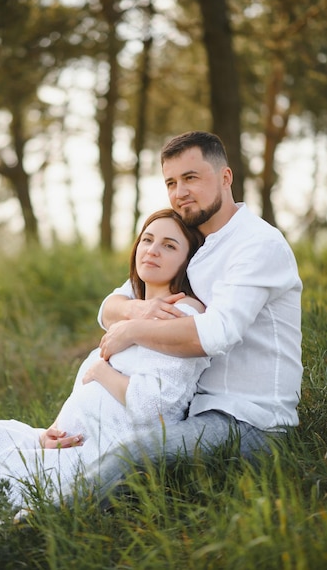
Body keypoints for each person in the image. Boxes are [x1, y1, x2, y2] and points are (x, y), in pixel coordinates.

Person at [0, 209, 209, 528]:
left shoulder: (182, 315)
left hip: (93, 460)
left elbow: (154, 409)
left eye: (169, 245)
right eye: (147, 240)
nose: (152, 250)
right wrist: (53, 431)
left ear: (188, 261)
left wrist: (101, 371)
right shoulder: (131, 308)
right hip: (60, 443)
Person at [87, 129, 302, 502]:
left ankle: (25, 529)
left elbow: (215, 335)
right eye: (170, 182)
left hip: (249, 423)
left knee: (130, 456)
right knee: (92, 444)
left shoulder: (257, 244)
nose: (179, 192)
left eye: (190, 178)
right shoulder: (192, 241)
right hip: (192, 412)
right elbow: (109, 308)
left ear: (225, 177)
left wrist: (134, 330)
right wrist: (138, 310)